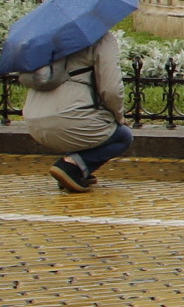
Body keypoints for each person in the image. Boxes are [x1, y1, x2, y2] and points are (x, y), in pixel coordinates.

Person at [22, 26, 133, 192]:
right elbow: (111, 90)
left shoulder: (45, 36)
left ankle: (75, 171)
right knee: (122, 136)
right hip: (69, 121)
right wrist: (119, 117)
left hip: (33, 121)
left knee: (84, 118)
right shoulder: (100, 38)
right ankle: (70, 167)